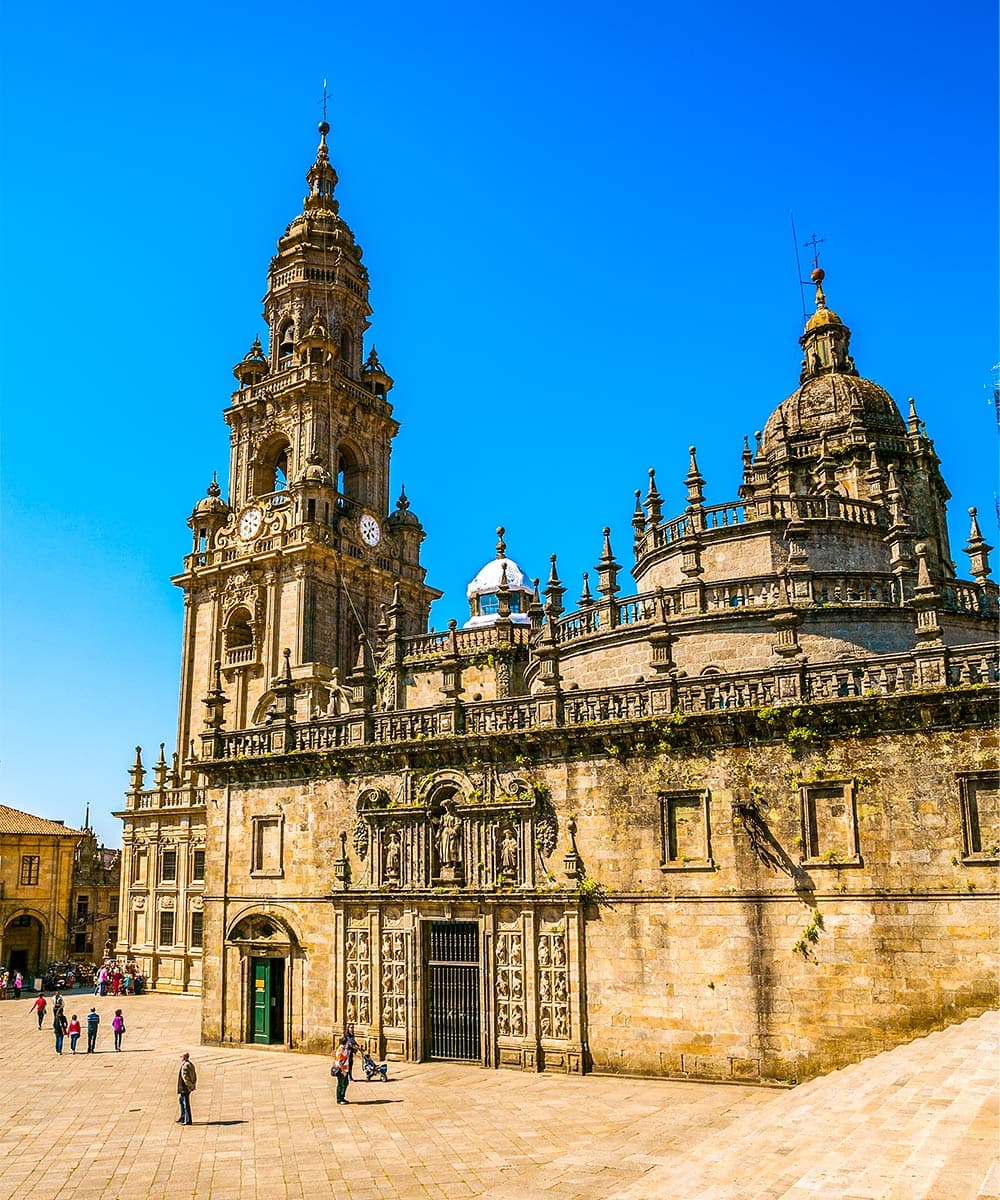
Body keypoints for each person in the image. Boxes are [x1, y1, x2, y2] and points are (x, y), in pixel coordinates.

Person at [176, 1053, 197, 1124]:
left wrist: (190, 1086)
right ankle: (182, 1117)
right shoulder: (190, 1064)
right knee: (181, 1100)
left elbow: (185, 1078)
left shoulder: (185, 1066)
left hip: (184, 1088)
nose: (181, 1058)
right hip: (186, 1087)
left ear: (184, 1057)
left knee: (185, 1103)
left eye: (181, 1057)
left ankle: (188, 1120)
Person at [334, 1035, 351, 1105]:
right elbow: (340, 1061)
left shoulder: (344, 1048)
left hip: (345, 1069)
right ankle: (339, 1099)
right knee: (340, 1084)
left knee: (345, 1083)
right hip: (341, 1070)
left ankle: (342, 1097)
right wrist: (343, 1071)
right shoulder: (341, 1049)